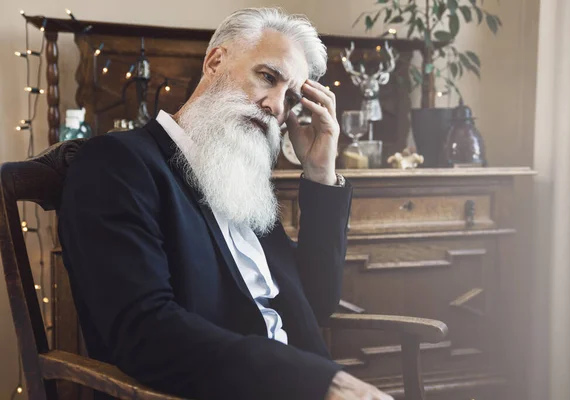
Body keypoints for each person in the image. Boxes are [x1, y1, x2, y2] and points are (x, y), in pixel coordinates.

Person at [59, 7, 392, 400]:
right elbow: (144, 332)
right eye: (268, 77)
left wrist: (320, 175)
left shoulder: (240, 183)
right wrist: (317, 380)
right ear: (216, 60)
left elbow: (316, 303)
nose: (276, 106)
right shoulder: (118, 164)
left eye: (290, 96)